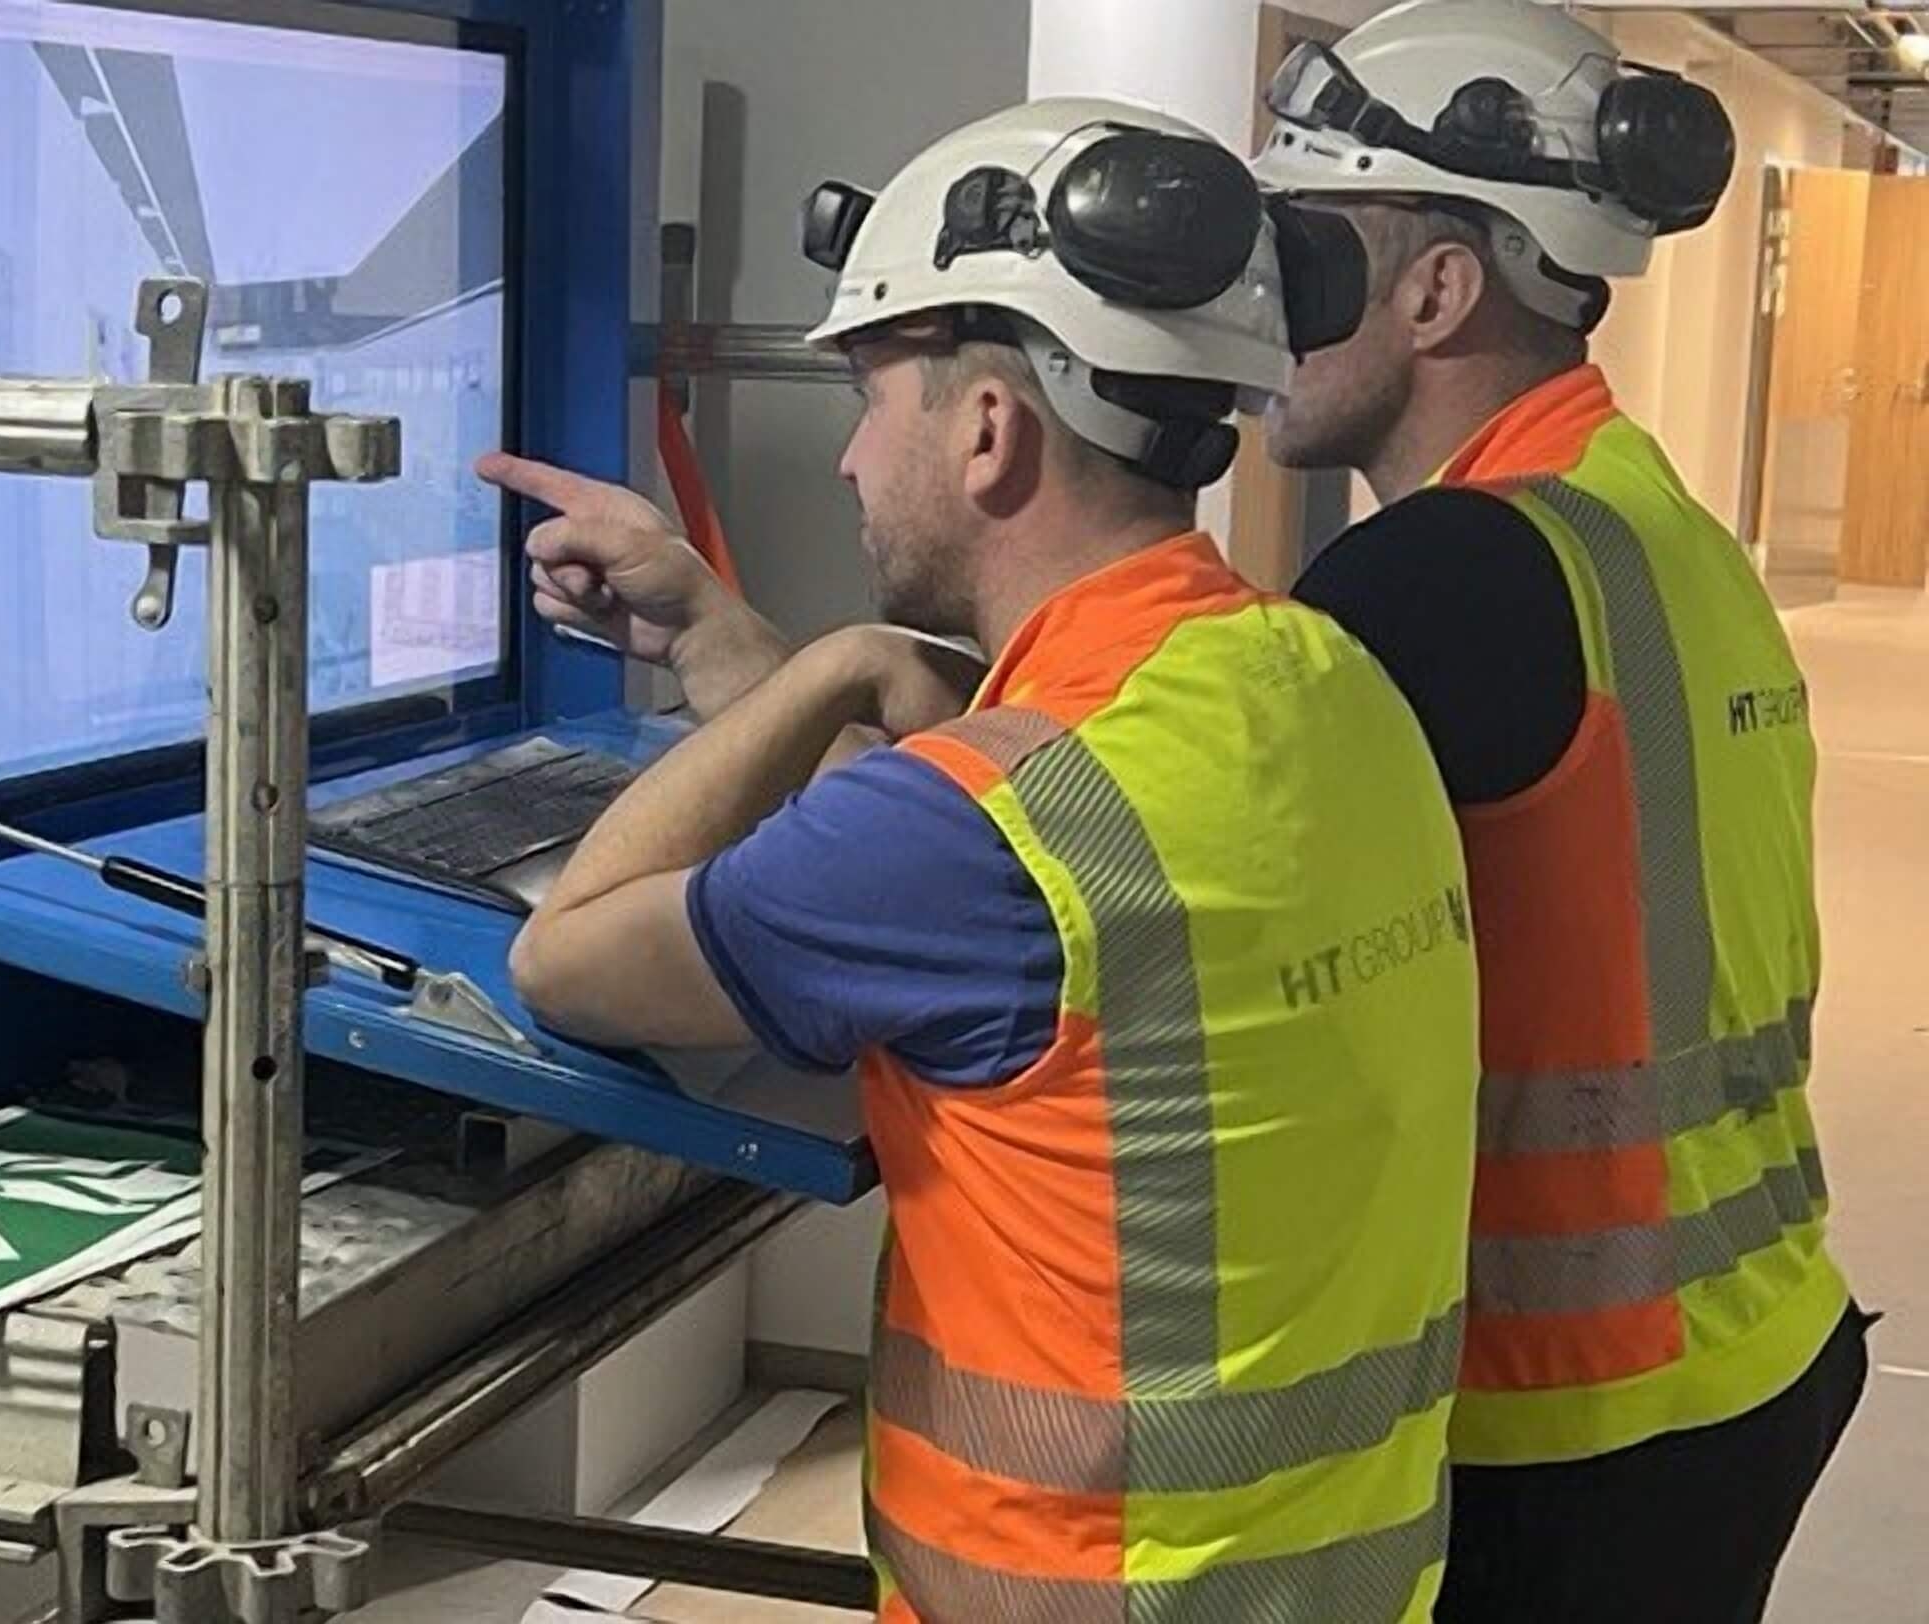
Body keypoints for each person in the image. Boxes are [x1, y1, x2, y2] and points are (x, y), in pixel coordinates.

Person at [490, 97, 1477, 1621]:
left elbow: (568, 957)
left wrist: (835, 668)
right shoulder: (1326, 687)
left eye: (871, 402)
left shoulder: (971, 832)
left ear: (989, 428)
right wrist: (720, 637)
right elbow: (958, 865)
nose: (848, 463)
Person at [1252, 4, 1866, 1617]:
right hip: (1748, 1350)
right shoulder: (1648, 518)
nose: (1261, 313)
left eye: (1303, 262)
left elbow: (1151, 887)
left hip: (1573, 1417)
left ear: (1437, 290)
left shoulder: (1443, 576)